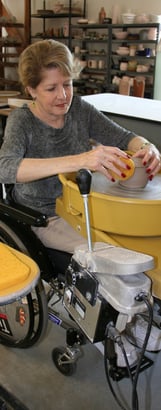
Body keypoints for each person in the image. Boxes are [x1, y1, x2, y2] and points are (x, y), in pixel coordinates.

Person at [0, 39, 161, 355]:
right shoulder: (23, 121)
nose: (63, 95)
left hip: (83, 206)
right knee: (113, 258)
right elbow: (5, 168)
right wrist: (81, 159)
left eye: (67, 84)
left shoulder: (80, 110)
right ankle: (124, 329)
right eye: (51, 88)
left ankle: (137, 313)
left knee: (142, 246)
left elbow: (125, 137)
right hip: (44, 214)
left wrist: (149, 148)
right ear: (31, 90)